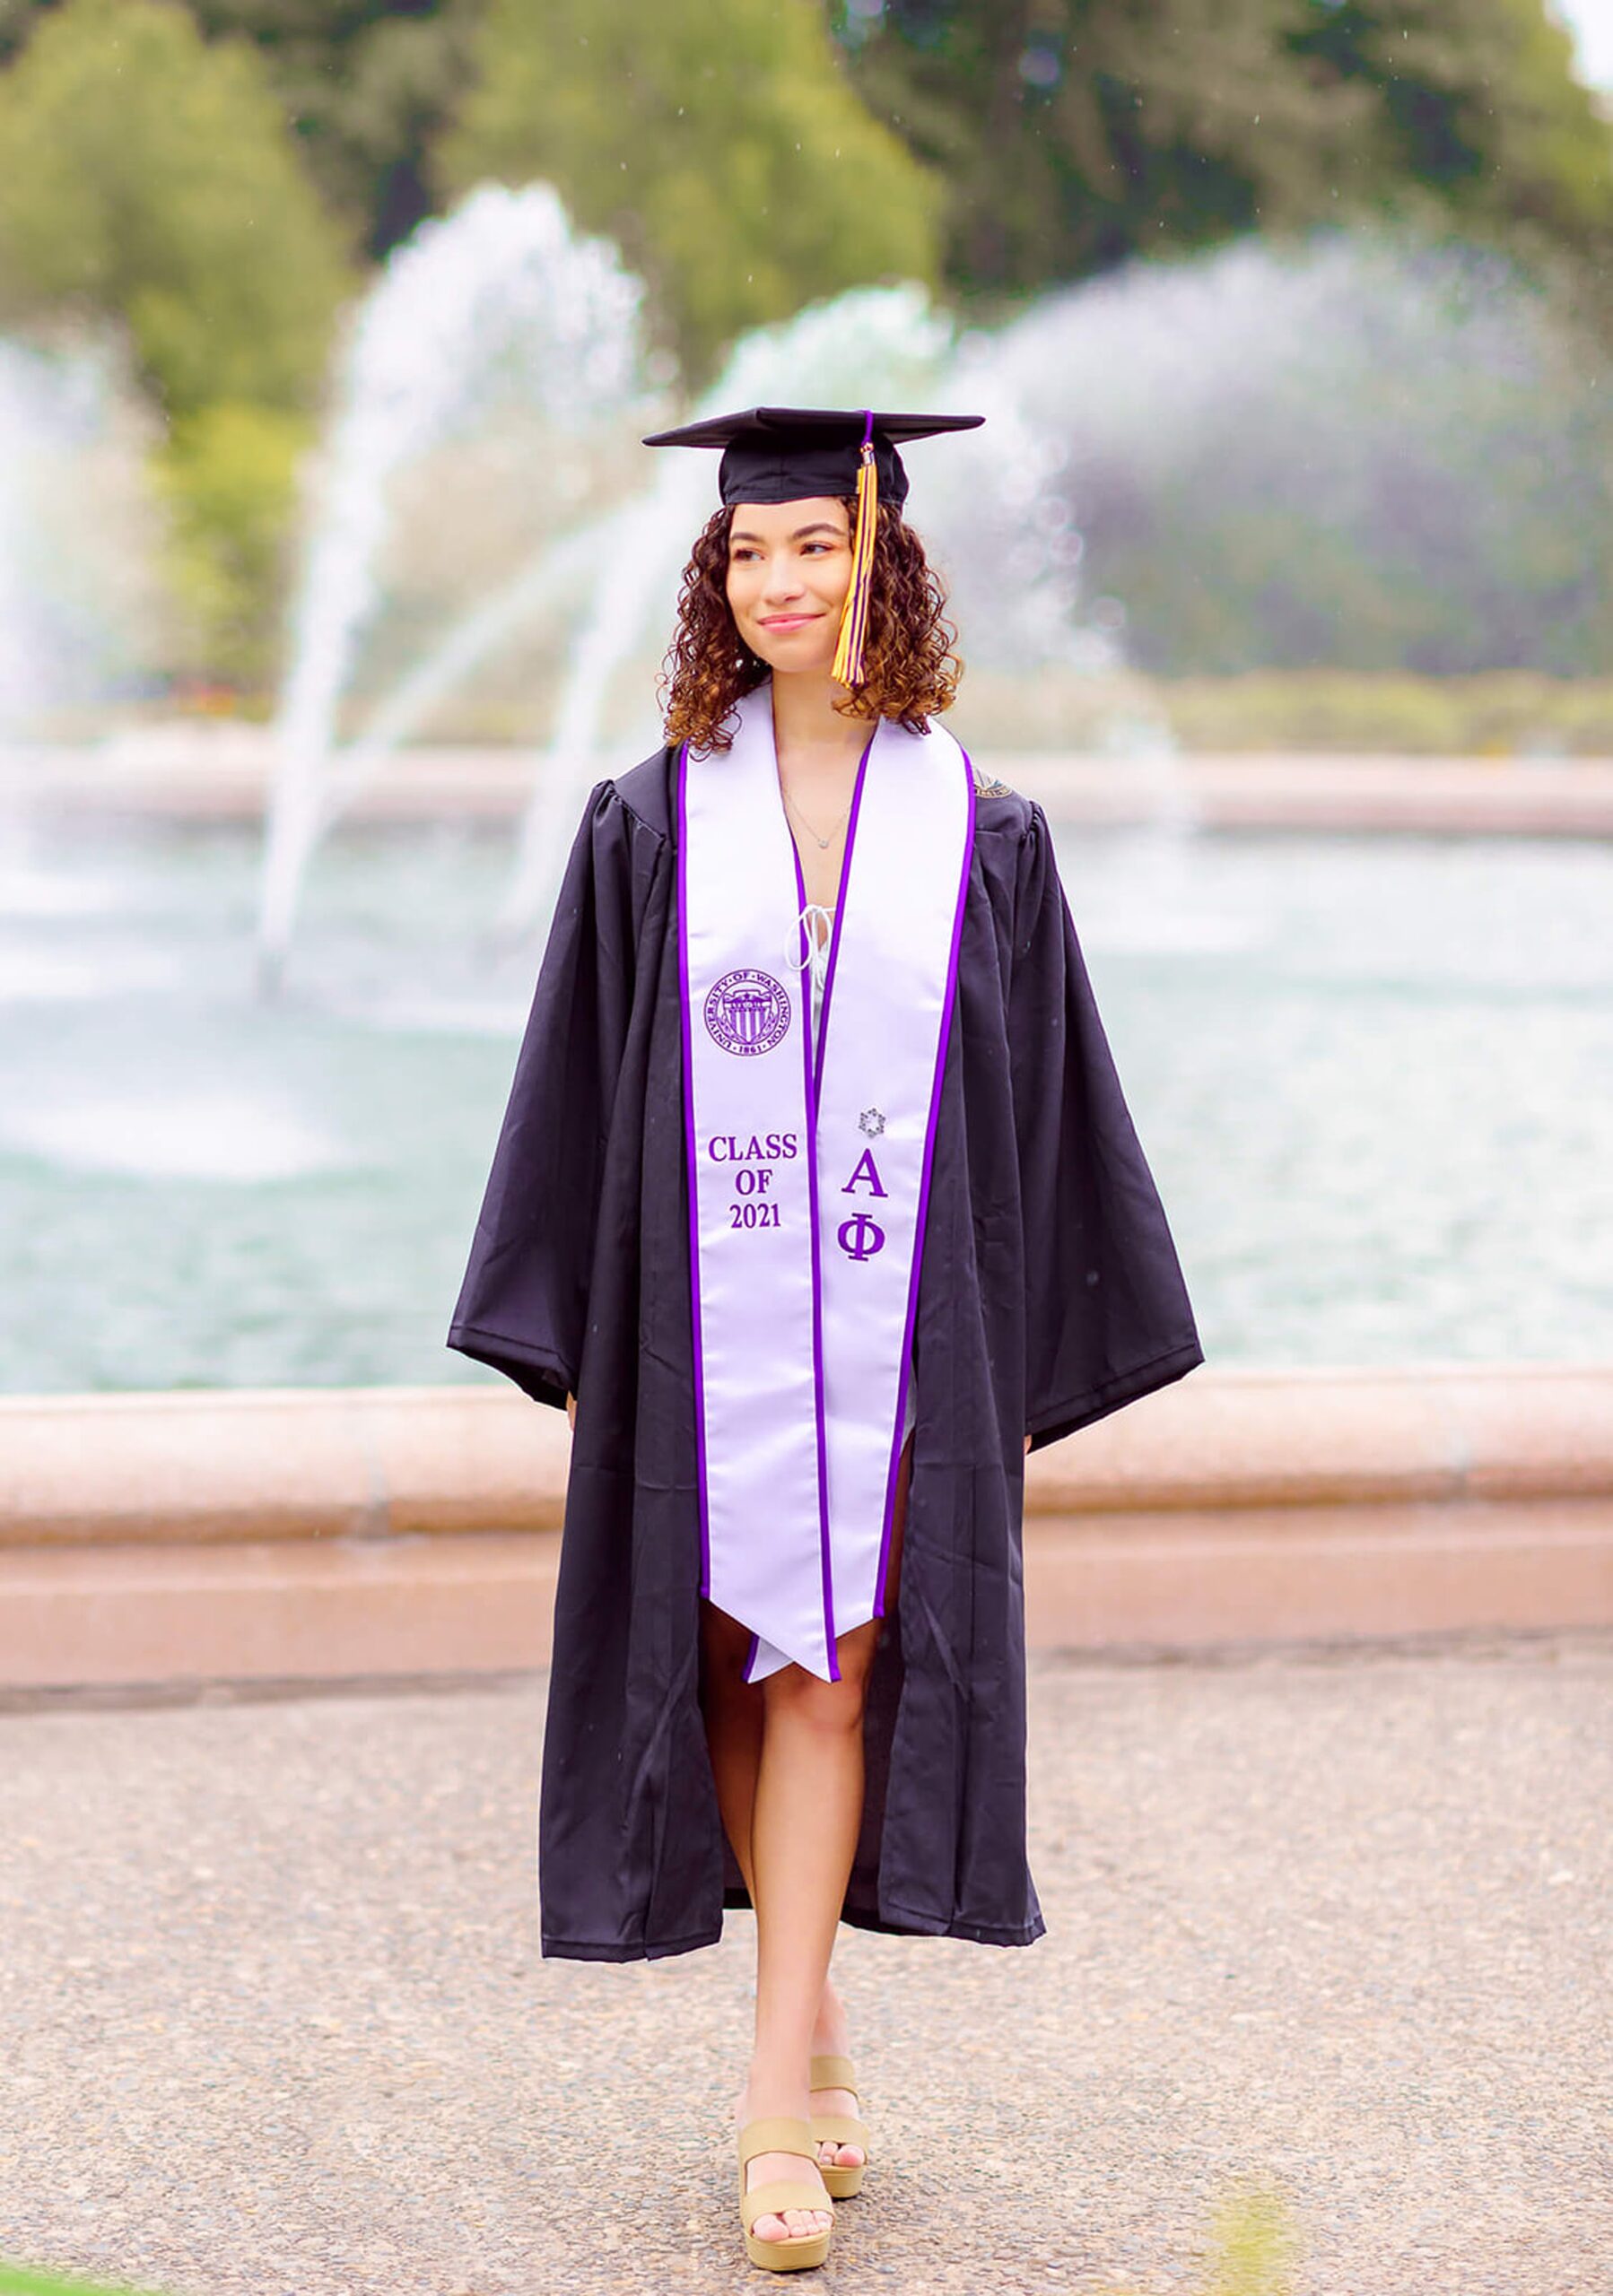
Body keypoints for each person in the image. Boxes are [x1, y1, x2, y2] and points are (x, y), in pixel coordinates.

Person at [447, 406, 1203, 2273]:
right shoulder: (645, 822)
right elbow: (569, 1082)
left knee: (833, 1673)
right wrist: (568, 1317)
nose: (781, 581)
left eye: (816, 545)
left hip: (880, 1340)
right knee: (717, 1659)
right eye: (749, 553)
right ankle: (818, 2014)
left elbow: (1039, 1117)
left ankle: (773, 2099)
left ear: (886, 560)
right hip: (695, 1314)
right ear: (719, 580)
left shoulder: (984, 835)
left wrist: (1001, 1346)